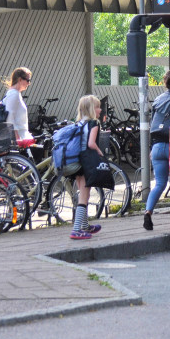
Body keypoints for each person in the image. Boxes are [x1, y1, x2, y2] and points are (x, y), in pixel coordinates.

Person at [70, 94, 104, 241]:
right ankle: (76, 229)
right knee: (85, 195)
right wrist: (99, 152)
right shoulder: (94, 123)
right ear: (91, 109)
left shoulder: (78, 123)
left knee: (82, 193)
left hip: (76, 161)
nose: (100, 110)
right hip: (86, 161)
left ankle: (84, 225)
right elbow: (91, 143)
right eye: (97, 107)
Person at [144, 70, 170, 231]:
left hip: (156, 147)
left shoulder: (158, 100)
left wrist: (151, 148)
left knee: (159, 184)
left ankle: (148, 212)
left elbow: (152, 124)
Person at [0, 67, 34, 142]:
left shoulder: (15, 93)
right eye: (28, 80)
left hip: (22, 136)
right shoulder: (13, 94)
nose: (29, 83)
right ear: (20, 79)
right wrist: (16, 139)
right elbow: (10, 117)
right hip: (20, 137)